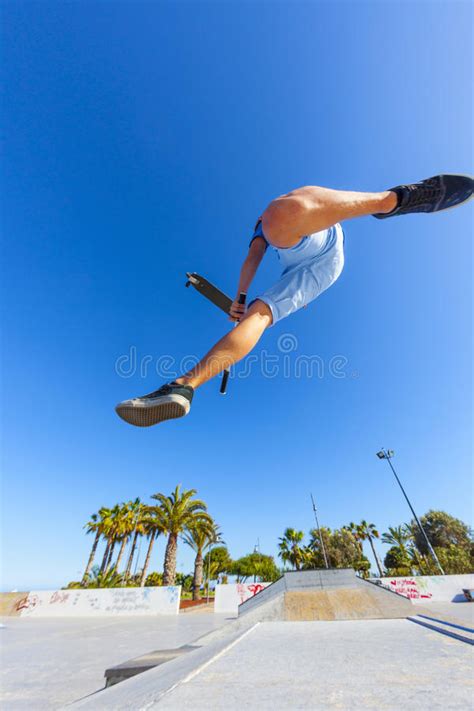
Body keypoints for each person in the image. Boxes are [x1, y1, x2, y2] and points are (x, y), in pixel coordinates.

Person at [116, 174, 473, 427]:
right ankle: (183, 387)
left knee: (278, 216)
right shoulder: (261, 231)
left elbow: (258, 252)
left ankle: (394, 199)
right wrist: (241, 301)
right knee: (256, 316)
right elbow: (252, 258)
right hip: (303, 273)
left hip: (326, 247)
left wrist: (240, 294)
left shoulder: (272, 219)